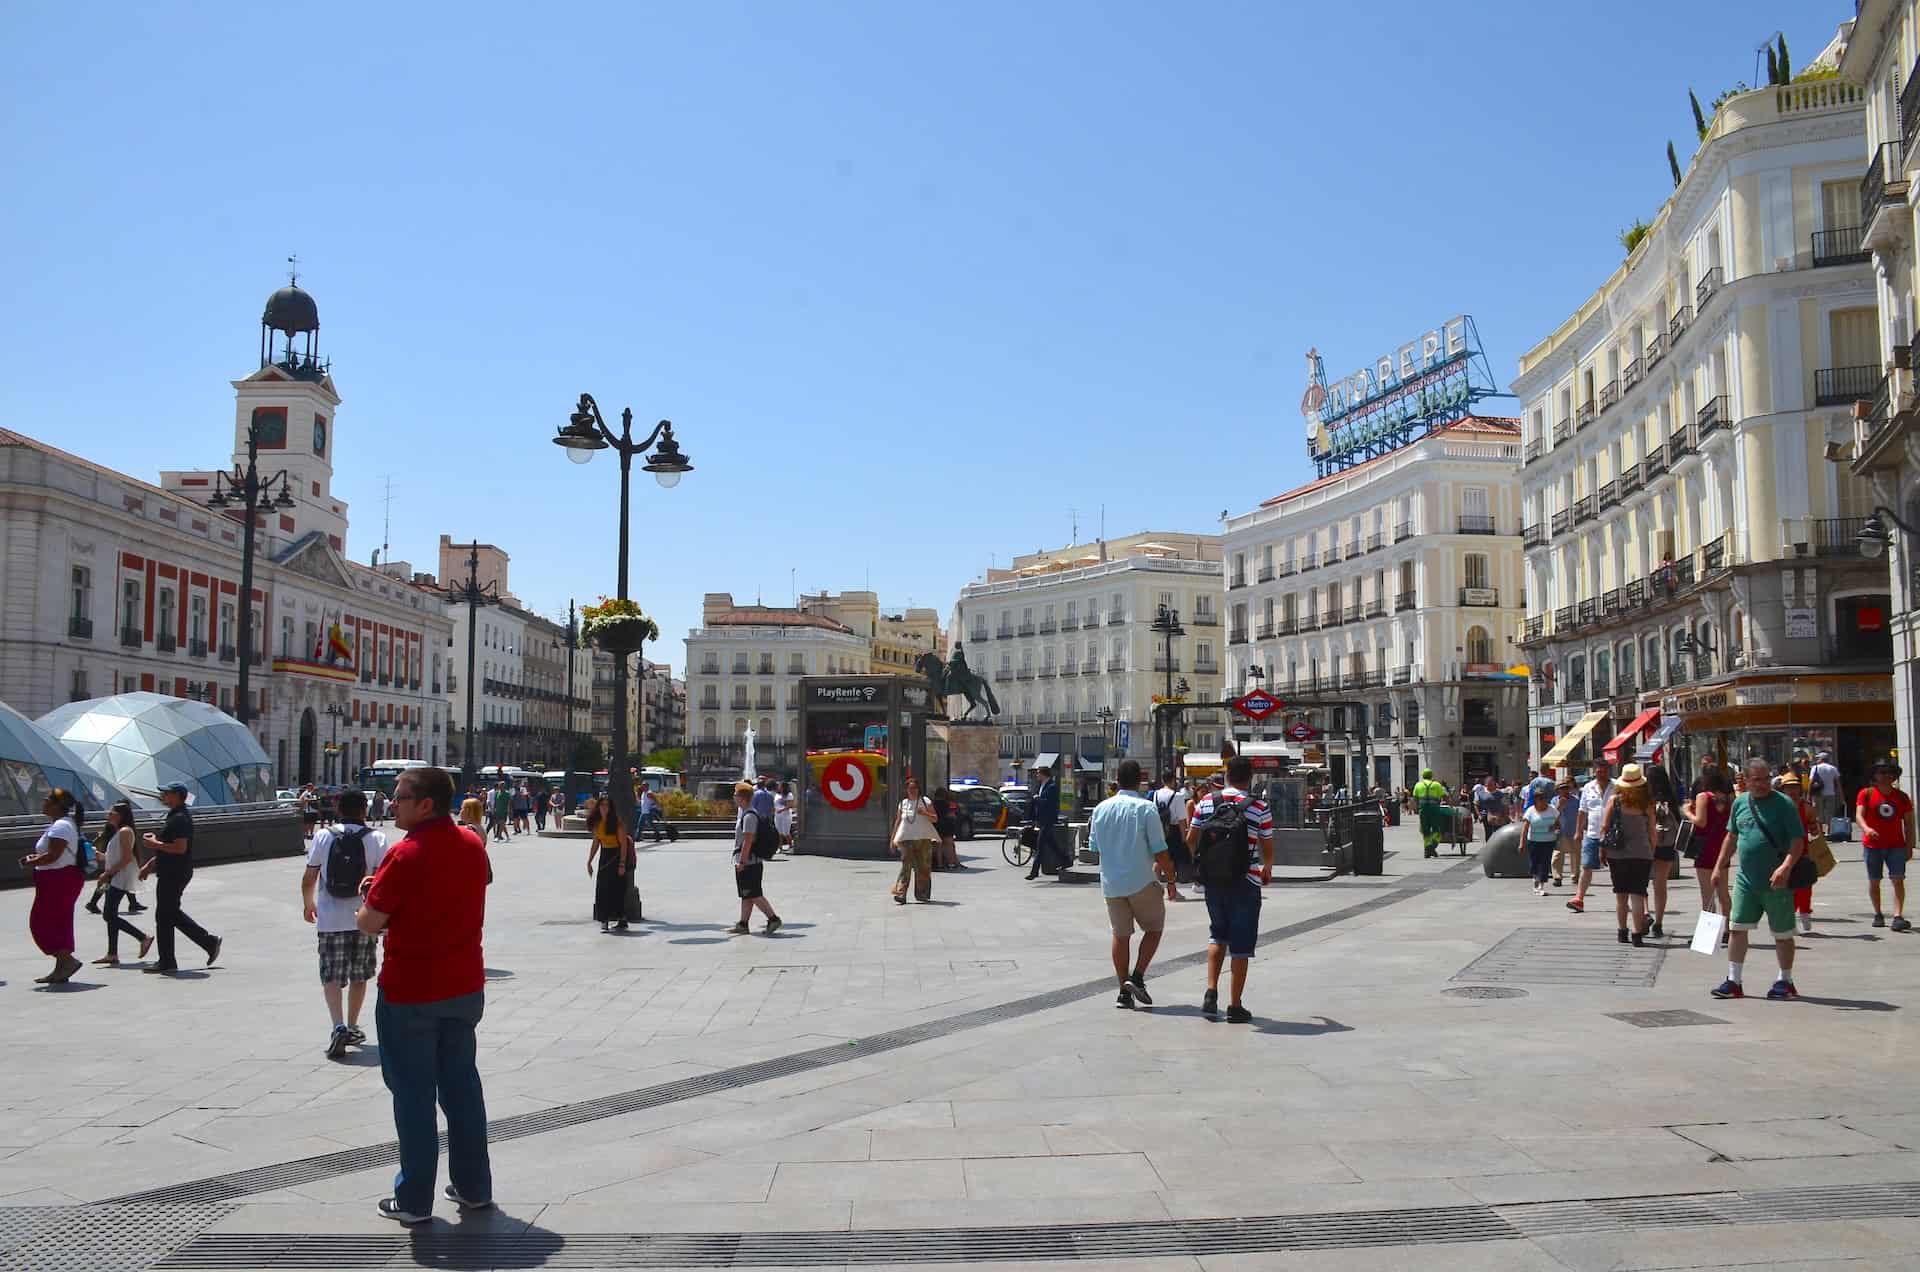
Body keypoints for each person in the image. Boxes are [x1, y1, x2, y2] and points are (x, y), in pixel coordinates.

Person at [356, 765, 493, 1225]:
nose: (392, 803)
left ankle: (414, 1199)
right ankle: (474, 1188)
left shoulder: (405, 853)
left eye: (400, 796)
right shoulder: (473, 844)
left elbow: (370, 923)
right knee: (462, 1089)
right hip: (464, 986)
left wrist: (369, 897)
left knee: (413, 1095)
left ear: (426, 804)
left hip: (411, 990)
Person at [1710, 758, 1807, 1001]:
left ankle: (1785, 980)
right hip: (1746, 879)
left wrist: (1785, 867)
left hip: (1778, 881)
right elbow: (1731, 836)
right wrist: (1719, 865)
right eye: (1757, 780)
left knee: (1782, 933)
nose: (1763, 784)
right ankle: (1734, 981)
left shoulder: (1784, 804)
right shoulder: (1740, 803)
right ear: (1746, 780)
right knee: (1737, 928)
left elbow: (1797, 841)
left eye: (1766, 779)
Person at [1186, 754, 1273, 1023]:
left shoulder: (1207, 802)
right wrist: (1266, 868)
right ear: (1250, 778)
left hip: (1215, 881)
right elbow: (1267, 845)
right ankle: (1235, 1005)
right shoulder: (1259, 806)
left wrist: (1201, 865)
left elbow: (1191, 839)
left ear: (1226, 775)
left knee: (1217, 934)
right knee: (1242, 945)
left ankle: (1211, 991)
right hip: (1246, 881)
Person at [304, 790, 389, 1058]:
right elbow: (384, 881)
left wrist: (309, 904)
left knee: (331, 974)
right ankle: (352, 1025)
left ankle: (337, 1024)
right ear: (365, 810)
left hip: (330, 918)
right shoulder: (378, 838)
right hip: (365, 917)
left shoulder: (323, 835)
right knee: (359, 974)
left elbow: (309, 875)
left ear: (339, 809)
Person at [1091, 759, 1173, 1009]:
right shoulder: (1145, 808)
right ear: (1140, 780)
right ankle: (1137, 976)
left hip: (1111, 883)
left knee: (1120, 935)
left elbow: (1094, 848)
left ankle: (1123, 992)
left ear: (1117, 780)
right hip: (1140, 880)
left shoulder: (1101, 809)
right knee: (1154, 928)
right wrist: (1171, 878)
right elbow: (1160, 851)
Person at [139, 782, 222, 974]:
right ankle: (171, 958)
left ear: (177, 796)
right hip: (172, 871)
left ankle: (205, 943)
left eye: (166, 793)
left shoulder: (180, 819)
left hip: (175, 873)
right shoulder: (175, 816)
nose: (162, 796)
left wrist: (154, 844)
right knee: (167, 915)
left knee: (167, 914)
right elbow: (169, 846)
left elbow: (179, 848)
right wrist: (150, 864)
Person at [22, 789, 87, 984]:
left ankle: (67, 960)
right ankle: (61, 968)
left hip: (58, 880)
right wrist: (38, 859)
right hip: (58, 879)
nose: (43, 802)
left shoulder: (61, 826)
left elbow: (53, 856)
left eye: (47, 800)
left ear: (57, 805)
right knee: (59, 923)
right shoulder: (62, 824)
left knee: (41, 923)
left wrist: (31, 861)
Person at [1600, 763, 1657, 946]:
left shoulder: (1614, 800)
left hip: (1617, 854)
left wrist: (1602, 849)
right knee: (1638, 895)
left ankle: (1622, 931)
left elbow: (1604, 828)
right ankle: (1637, 934)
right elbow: (1652, 832)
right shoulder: (1646, 804)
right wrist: (1652, 851)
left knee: (1621, 895)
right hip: (1642, 853)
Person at [92, 800, 152, 967]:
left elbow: (126, 858)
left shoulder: (125, 831)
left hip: (119, 877)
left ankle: (143, 937)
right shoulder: (120, 831)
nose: (108, 815)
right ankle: (112, 953)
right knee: (111, 914)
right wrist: (101, 856)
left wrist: (107, 873)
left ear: (120, 816)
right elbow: (118, 857)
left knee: (108, 915)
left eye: (111, 813)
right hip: (116, 876)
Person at [1857, 759, 1914, 931]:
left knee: (1898, 880)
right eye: (1882, 772)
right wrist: (1867, 829)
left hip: (1896, 845)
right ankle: (1878, 913)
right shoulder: (1866, 794)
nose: (1886, 776)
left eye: (1890, 772)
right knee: (1874, 881)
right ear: (1875, 775)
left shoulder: (1902, 797)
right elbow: (1859, 816)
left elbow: (1909, 823)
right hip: (1872, 845)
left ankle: (1898, 916)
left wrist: (1909, 846)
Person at [729, 780, 782, 934]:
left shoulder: (749, 816)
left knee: (754, 894)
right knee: (747, 894)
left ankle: (773, 919)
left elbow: (748, 840)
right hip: (749, 861)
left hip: (750, 862)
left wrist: (742, 861)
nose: (734, 797)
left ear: (742, 798)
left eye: (735, 795)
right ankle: (743, 924)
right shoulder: (746, 814)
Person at [1689, 765, 1734, 927]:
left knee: (1707, 894)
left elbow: (1701, 822)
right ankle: (1728, 928)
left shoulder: (1704, 797)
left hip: (1705, 848)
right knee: (1723, 893)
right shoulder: (1728, 799)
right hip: (1723, 847)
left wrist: (1687, 812)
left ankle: (1709, 931)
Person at [1567, 760, 1614, 915]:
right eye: (1598, 771)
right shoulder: (1588, 787)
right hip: (1592, 833)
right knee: (1586, 866)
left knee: (1617, 867)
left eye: (1604, 771)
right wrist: (1578, 831)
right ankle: (1579, 899)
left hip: (1613, 834)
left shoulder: (1617, 786)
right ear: (1594, 772)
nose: (1601, 774)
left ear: (1609, 771)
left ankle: (1623, 899)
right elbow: (1582, 811)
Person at [1777, 769, 1819, 935]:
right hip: (1782, 853)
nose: (1792, 790)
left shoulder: (1807, 808)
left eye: (1795, 786)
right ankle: (1790, 920)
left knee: (1805, 886)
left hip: (1803, 853)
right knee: (1786, 889)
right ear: (1783, 789)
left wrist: (1815, 828)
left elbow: (1815, 831)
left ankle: (1805, 912)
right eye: (1788, 787)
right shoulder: (1778, 807)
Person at [889, 776, 941, 903]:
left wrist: (925, 813)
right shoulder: (903, 804)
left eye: (915, 788)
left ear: (918, 789)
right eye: (910, 788)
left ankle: (921, 894)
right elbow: (898, 821)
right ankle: (901, 893)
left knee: (923, 867)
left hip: (923, 839)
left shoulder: (925, 801)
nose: (912, 790)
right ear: (906, 789)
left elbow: (935, 819)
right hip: (906, 839)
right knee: (905, 866)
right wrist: (893, 839)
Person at [585, 796, 634, 932]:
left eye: (607, 805)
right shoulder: (597, 823)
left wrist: (622, 864)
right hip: (604, 855)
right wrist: (589, 861)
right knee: (602, 888)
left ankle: (621, 918)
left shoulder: (616, 823)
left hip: (616, 855)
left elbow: (623, 844)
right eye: (602, 805)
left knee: (617, 888)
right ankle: (604, 919)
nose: (604, 807)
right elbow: (596, 842)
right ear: (598, 807)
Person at [1646, 766, 1683, 938]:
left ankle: (1646, 913)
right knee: (1660, 884)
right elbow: (1678, 821)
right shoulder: (1671, 798)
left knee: (1642, 882)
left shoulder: (1646, 797)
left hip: (1646, 844)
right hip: (1666, 845)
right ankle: (1659, 922)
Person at [1153, 771, 1191, 901]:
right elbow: (1181, 819)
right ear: (1173, 780)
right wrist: (1184, 837)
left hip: (1159, 829)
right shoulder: (1178, 796)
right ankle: (1172, 890)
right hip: (1173, 830)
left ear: (1163, 780)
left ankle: (1155, 886)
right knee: (1172, 860)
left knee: (1159, 858)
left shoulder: (1156, 794)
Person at [1521, 780, 1560, 897]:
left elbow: (1558, 824)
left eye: (1544, 798)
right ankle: (1535, 882)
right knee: (1535, 862)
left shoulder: (1552, 809)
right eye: (1540, 798)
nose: (1543, 801)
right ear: (1536, 800)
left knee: (1545, 864)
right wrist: (1521, 842)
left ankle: (1541, 886)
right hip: (1534, 841)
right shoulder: (1530, 811)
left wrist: (1554, 828)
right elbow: (1525, 828)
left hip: (1548, 841)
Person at [1027, 765, 1061, 880]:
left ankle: (1034, 872)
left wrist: (1037, 799)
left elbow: (1048, 804)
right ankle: (1066, 860)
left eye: (1038, 773)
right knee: (1052, 844)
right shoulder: (1041, 786)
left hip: (1048, 820)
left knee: (1040, 846)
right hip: (1042, 820)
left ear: (1043, 774)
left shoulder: (1052, 787)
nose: (1037, 775)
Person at [1412, 768, 1448, 859]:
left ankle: (1427, 849)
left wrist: (1416, 808)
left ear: (1423, 775)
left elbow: (1415, 798)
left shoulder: (1418, 785)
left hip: (1423, 810)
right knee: (1437, 830)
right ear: (1431, 775)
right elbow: (1443, 796)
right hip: (1434, 810)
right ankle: (1432, 846)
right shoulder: (1436, 785)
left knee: (1425, 831)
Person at [1552, 775, 1579, 888]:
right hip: (1560, 830)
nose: (1564, 791)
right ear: (1558, 791)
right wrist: (1559, 806)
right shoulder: (1554, 801)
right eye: (1562, 789)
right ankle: (1557, 876)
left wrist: (1581, 828)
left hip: (1573, 830)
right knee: (1558, 854)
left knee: (1575, 854)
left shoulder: (1576, 800)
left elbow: (1580, 814)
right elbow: (1552, 815)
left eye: (1566, 788)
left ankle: (1575, 876)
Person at [1811, 751, 1844, 828]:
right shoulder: (1833, 768)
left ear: (1822, 759)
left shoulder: (1815, 768)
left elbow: (1811, 782)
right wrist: (1842, 796)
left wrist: (1809, 795)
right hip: (1830, 793)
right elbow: (1838, 783)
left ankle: (1820, 832)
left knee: (1818, 813)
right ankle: (1829, 831)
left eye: (1818, 758)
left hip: (1818, 793)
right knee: (1830, 813)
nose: (1817, 760)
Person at [776, 782, 799, 856]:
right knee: (779, 832)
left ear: (784, 787)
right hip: (777, 816)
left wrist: (781, 810)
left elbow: (790, 805)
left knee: (786, 832)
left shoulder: (789, 795)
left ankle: (791, 846)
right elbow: (775, 804)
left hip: (786, 815)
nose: (779, 787)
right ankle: (780, 847)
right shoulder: (777, 795)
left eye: (780, 786)